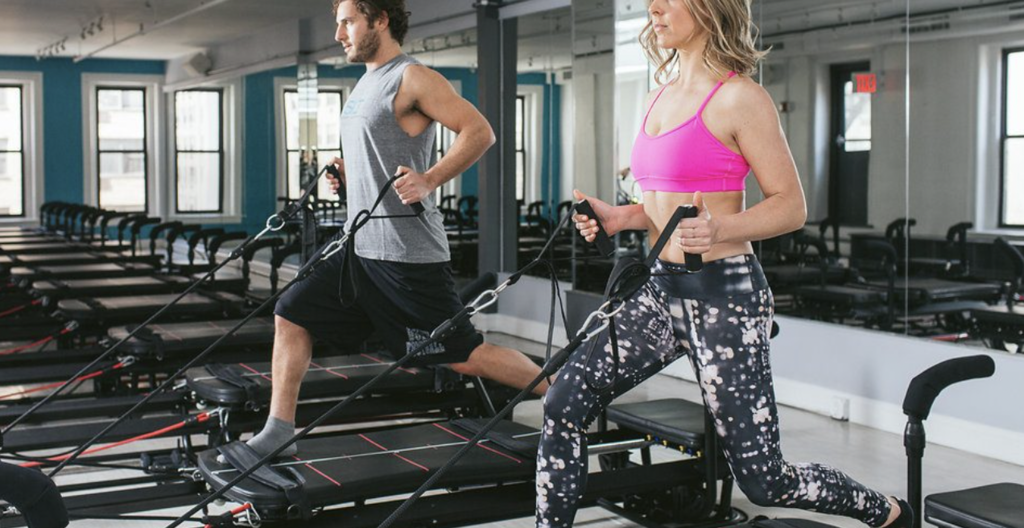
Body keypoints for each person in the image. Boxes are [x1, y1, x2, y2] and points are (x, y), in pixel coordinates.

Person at [540, 1, 912, 527]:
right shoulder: (657, 96)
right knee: (562, 403)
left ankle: (887, 512)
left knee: (764, 479)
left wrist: (721, 229)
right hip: (659, 289)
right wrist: (620, 217)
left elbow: (791, 206)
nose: (654, 8)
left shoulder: (741, 98)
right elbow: (663, 204)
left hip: (724, 296)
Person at [246, 0, 549, 458]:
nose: (339, 34)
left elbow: (479, 131)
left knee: (463, 355)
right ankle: (279, 430)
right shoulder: (365, 82)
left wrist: (430, 179)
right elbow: (381, 156)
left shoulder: (412, 77)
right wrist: (351, 176)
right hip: (358, 247)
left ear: (381, 19)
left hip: (406, 252)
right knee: (291, 312)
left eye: (348, 22)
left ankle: (560, 387)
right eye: (338, 24)